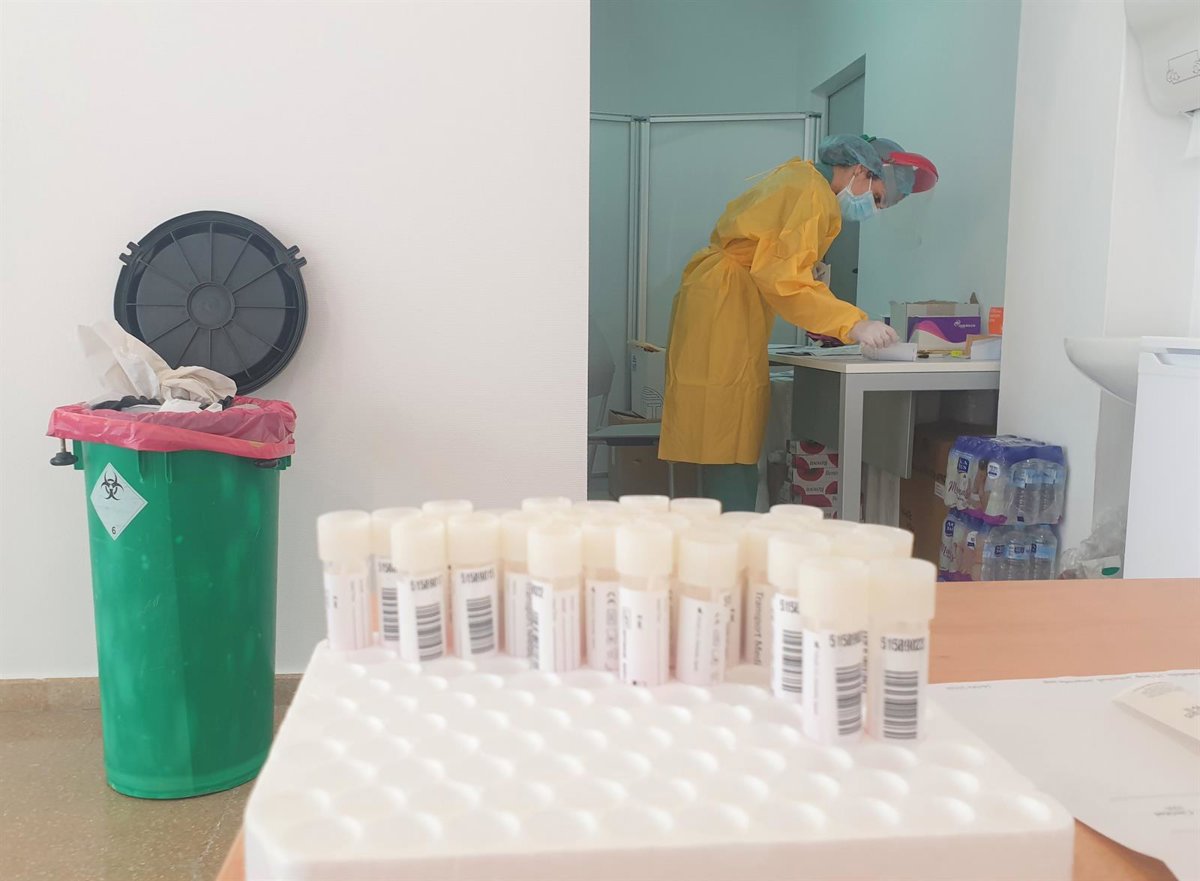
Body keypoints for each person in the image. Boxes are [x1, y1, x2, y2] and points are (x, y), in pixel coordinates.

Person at [660, 134, 938, 511]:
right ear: (860, 170)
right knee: (727, 433)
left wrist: (814, 286)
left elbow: (778, 262)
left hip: (723, 298)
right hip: (724, 306)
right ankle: (730, 530)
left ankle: (723, 525)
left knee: (724, 431)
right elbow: (784, 279)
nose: (872, 210)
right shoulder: (811, 193)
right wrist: (854, 324)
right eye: (875, 198)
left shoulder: (804, 180)